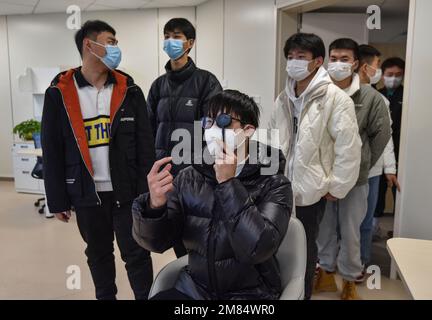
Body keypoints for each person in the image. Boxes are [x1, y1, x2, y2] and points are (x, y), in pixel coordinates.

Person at [133, 90, 293, 300]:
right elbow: (158, 242)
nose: (213, 129)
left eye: (224, 121)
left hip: (250, 294)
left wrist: (228, 184)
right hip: (195, 289)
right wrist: (155, 207)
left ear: (248, 130)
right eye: (208, 122)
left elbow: (257, 248)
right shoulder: (189, 177)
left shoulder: (274, 183)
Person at [41, 20, 155, 300]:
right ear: (89, 45)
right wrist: (57, 200)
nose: (116, 48)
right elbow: (52, 149)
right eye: (111, 41)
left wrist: (148, 193)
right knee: (99, 255)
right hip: (85, 194)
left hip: (127, 191)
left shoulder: (130, 89)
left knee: (137, 254)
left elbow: (145, 146)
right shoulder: (59, 93)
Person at [268, 32, 362, 300]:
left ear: (317, 61)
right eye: (290, 57)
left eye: (301, 57)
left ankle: (303, 295)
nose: (294, 62)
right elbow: (274, 138)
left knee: (305, 253)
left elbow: (348, 147)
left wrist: (338, 186)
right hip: (281, 187)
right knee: (278, 247)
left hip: (312, 189)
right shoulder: (283, 97)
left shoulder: (335, 98)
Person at [315, 38, 391, 299]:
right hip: (321, 176)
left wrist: (362, 163)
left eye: (344, 59)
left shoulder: (371, 98)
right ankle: (324, 273)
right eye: (333, 58)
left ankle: (349, 278)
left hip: (356, 178)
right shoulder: (319, 91)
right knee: (324, 228)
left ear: (356, 63)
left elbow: (381, 136)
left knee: (350, 230)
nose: (338, 63)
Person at [147, 18, 222, 257]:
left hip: (196, 177)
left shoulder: (206, 82)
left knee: (197, 240)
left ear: (190, 43)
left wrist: (206, 171)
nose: (170, 41)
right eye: (167, 36)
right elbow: (148, 130)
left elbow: (215, 132)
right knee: (175, 237)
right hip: (166, 176)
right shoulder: (158, 86)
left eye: (177, 37)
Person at [357, 45, 400, 270]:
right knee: (335, 223)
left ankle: (362, 262)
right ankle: (330, 265)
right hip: (341, 171)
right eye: (377, 66)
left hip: (371, 173)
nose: (378, 71)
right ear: (365, 67)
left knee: (365, 221)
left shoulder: (380, 101)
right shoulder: (337, 95)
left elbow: (386, 139)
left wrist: (390, 169)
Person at [374, 57, 405, 228]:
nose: (394, 78)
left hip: (401, 150)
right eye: (390, 74)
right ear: (383, 75)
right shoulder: (377, 95)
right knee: (377, 193)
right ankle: (374, 227)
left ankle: (398, 227)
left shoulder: (407, 95)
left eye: (398, 75)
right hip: (379, 151)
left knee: (398, 191)